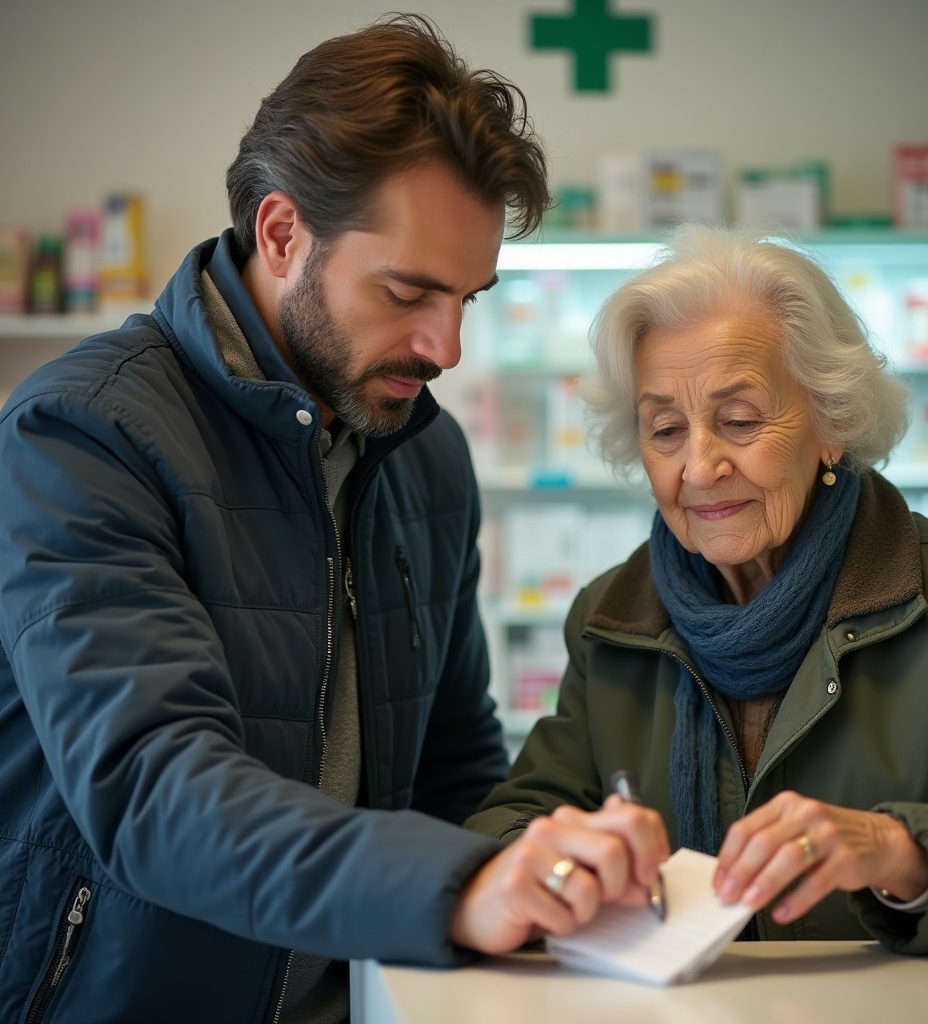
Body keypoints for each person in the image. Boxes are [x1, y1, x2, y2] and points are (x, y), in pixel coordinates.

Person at [0, 16, 666, 1024]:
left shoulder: (422, 451)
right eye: (408, 292)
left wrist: (542, 880)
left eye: (468, 299)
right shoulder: (82, 433)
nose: (444, 345)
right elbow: (151, 785)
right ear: (280, 232)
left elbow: (452, 762)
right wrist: (458, 885)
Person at [466, 224, 928, 954]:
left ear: (833, 421)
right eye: (665, 429)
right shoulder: (610, 620)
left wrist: (897, 851)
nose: (699, 466)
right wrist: (554, 865)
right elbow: (519, 819)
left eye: (738, 420)